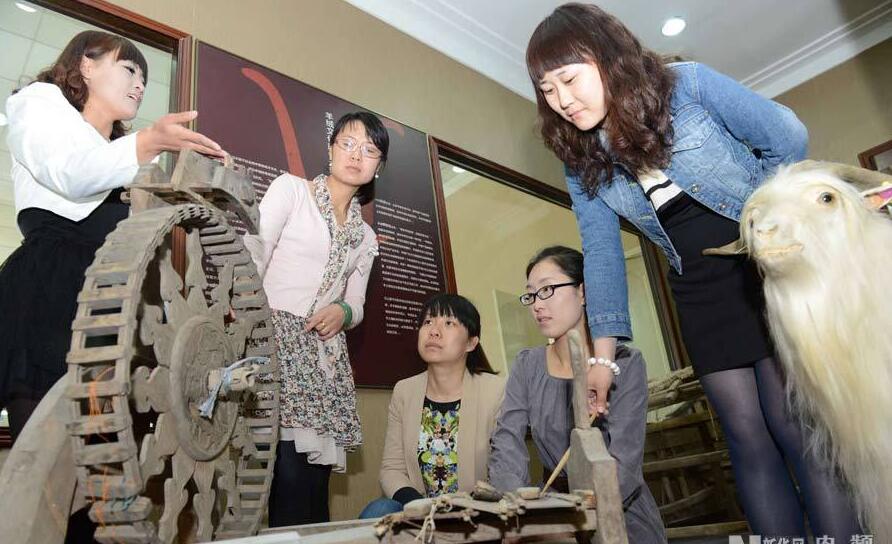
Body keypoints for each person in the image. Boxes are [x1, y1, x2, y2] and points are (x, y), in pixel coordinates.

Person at [524, 4, 862, 540]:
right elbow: (602, 251)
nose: (561, 100)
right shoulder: (580, 157)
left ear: (607, 58)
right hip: (697, 289)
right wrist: (602, 360)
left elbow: (788, 136)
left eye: (569, 79)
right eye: (547, 90)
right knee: (745, 438)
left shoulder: (688, 86)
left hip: (760, 268)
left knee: (795, 426)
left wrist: (765, 219)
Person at [0, 30, 224, 442]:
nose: (140, 84)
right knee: (46, 452)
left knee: (109, 460)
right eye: (129, 69)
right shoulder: (38, 103)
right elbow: (67, 173)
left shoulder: (127, 157)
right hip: (51, 291)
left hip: (115, 299)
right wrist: (147, 142)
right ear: (86, 65)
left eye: (144, 78)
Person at [249, 111, 386, 526]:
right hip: (275, 343)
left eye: (369, 150)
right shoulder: (291, 190)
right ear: (330, 149)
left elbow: (357, 304)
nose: (356, 155)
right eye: (348, 143)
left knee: (314, 485)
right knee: (286, 474)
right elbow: (255, 251)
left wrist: (342, 311)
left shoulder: (365, 236)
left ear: (379, 166)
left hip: (324, 360)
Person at [488, 246, 665, 542]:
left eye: (547, 290)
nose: (537, 305)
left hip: (618, 511)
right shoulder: (527, 365)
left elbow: (625, 464)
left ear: (582, 292)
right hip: (552, 511)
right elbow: (507, 441)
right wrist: (514, 507)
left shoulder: (624, 364)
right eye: (531, 295)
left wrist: (574, 519)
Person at [360, 293, 505, 519]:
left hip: (475, 513)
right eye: (428, 321)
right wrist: (423, 506)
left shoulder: (496, 391)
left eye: (449, 323)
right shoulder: (404, 391)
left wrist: (460, 510)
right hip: (421, 513)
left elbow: (504, 470)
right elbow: (392, 469)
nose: (434, 331)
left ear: (471, 343)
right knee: (379, 510)